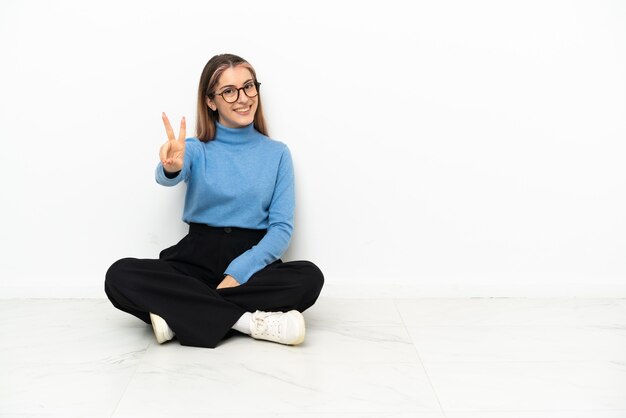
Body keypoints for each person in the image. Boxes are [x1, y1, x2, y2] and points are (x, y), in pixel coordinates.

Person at [104, 53, 324, 349]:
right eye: (229, 91)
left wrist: (240, 270)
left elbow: (281, 228)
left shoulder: (278, 154)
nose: (243, 98)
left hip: (252, 257)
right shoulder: (194, 148)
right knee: (119, 275)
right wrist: (171, 166)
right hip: (195, 256)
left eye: (249, 86)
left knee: (309, 278)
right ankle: (249, 323)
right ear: (211, 101)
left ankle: (179, 314)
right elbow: (169, 172)